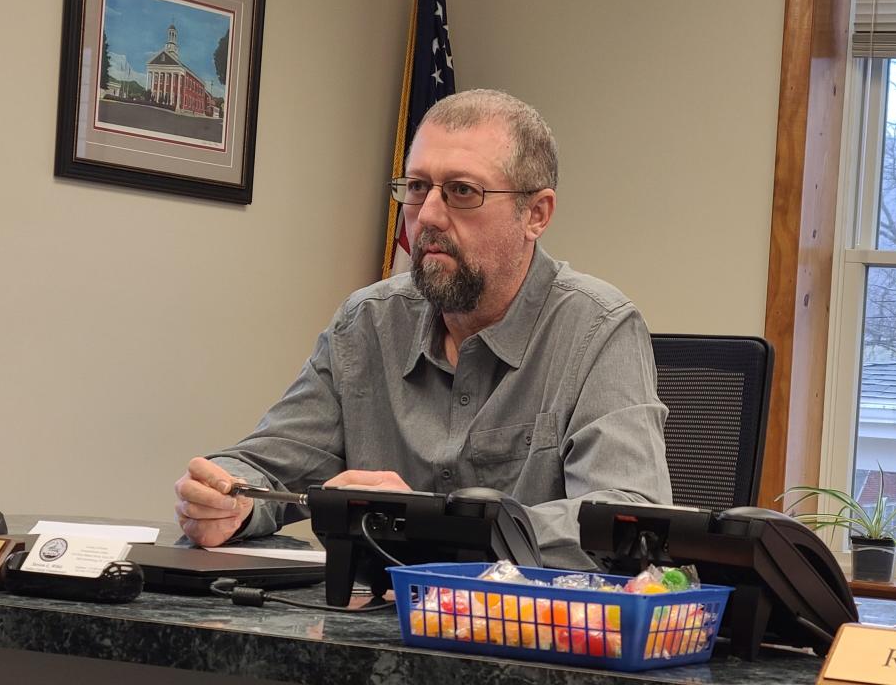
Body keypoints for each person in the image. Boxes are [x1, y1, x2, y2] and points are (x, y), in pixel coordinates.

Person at [174, 89, 671, 570]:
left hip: (531, 640)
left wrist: (435, 526)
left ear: (535, 214)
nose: (427, 216)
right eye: (416, 188)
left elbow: (631, 523)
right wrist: (226, 501)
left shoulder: (598, 328)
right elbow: (265, 465)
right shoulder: (368, 322)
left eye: (462, 191)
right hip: (375, 625)